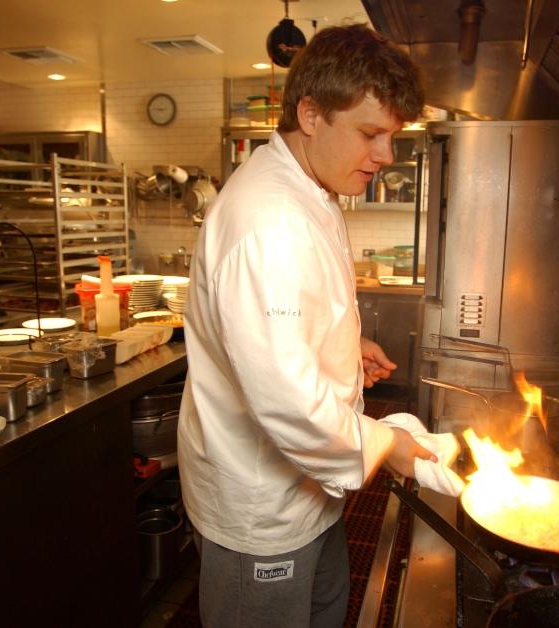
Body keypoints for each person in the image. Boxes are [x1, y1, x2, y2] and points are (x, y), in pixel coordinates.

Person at [178, 24, 431, 627]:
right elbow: (290, 403)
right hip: (263, 509)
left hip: (310, 492)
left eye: (392, 136)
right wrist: (387, 443)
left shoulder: (311, 188)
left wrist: (345, 344)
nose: (386, 155)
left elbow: (287, 328)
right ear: (311, 114)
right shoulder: (269, 221)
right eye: (371, 134)